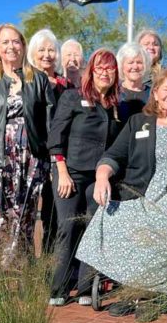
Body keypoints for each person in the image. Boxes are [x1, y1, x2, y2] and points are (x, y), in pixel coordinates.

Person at [77, 68, 167, 314]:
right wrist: (102, 176)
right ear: (155, 93)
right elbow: (114, 155)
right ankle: (131, 292)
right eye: (165, 89)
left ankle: (149, 296)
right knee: (112, 217)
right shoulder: (138, 122)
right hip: (139, 194)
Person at [47, 50, 127, 305]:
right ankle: (58, 288)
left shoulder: (117, 106)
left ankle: (84, 288)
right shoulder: (73, 97)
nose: (104, 73)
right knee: (68, 225)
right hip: (69, 172)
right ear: (91, 71)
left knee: (93, 224)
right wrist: (62, 172)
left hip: (99, 176)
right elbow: (56, 138)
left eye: (110, 68)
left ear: (116, 73)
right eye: (99, 68)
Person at [0, 23, 52, 258]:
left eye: (15, 41)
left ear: (23, 45)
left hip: (31, 157)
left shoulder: (38, 80)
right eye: (5, 42)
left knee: (24, 212)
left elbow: (49, 124)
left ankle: (21, 265)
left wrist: (51, 160)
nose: (10, 47)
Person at [27, 28, 71, 251]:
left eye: (51, 50)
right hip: (32, 153)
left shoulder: (67, 87)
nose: (46, 54)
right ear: (33, 53)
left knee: (52, 213)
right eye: (41, 50)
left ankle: (50, 264)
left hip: (59, 156)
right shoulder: (26, 82)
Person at [117, 41, 152, 110]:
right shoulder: (114, 93)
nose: (135, 67)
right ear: (122, 66)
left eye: (139, 62)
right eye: (130, 62)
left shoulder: (152, 94)